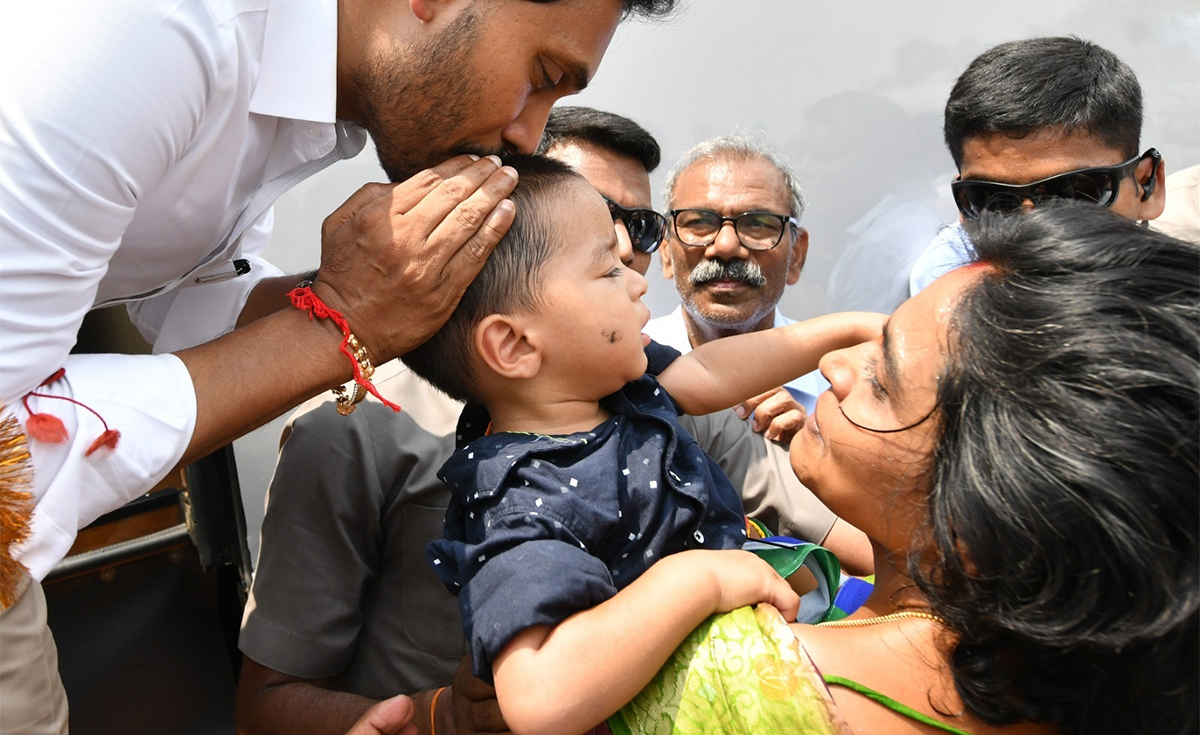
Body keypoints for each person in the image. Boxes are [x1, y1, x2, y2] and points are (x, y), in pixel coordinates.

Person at [0, 0, 671, 730]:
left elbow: (187, 307)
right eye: (542, 77)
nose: (527, 132)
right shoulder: (152, 14)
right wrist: (340, 323)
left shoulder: (311, 68)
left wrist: (394, 307)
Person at [236, 108, 845, 735]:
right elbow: (267, 704)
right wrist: (440, 715)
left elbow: (837, 533)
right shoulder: (354, 433)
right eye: (598, 226)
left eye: (641, 226)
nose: (630, 251)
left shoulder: (657, 394)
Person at [482, 202, 1198, 735]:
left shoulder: (721, 680)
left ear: (992, 506)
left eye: (882, 380)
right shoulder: (1120, 684)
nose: (831, 367)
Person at [398, 154, 881, 710]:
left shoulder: (616, 386)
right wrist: (705, 581)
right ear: (515, 346)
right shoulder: (527, 498)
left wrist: (846, 330)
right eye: (607, 270)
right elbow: (539, 696)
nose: (636, 281)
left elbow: (713, 372)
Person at [646, 132, 872, 573]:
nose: (726, 246)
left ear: (797, 256)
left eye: (757, 224)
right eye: (699, 222)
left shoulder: (857, 391)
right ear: (666, 252)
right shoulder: (622, 377)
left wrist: (817, 459)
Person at [909, 36, 1167, 293]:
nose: (1030, 230)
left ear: (1147, 186)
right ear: (964, 204)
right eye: (991, 199)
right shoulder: (941, 285)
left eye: (1073, 193)